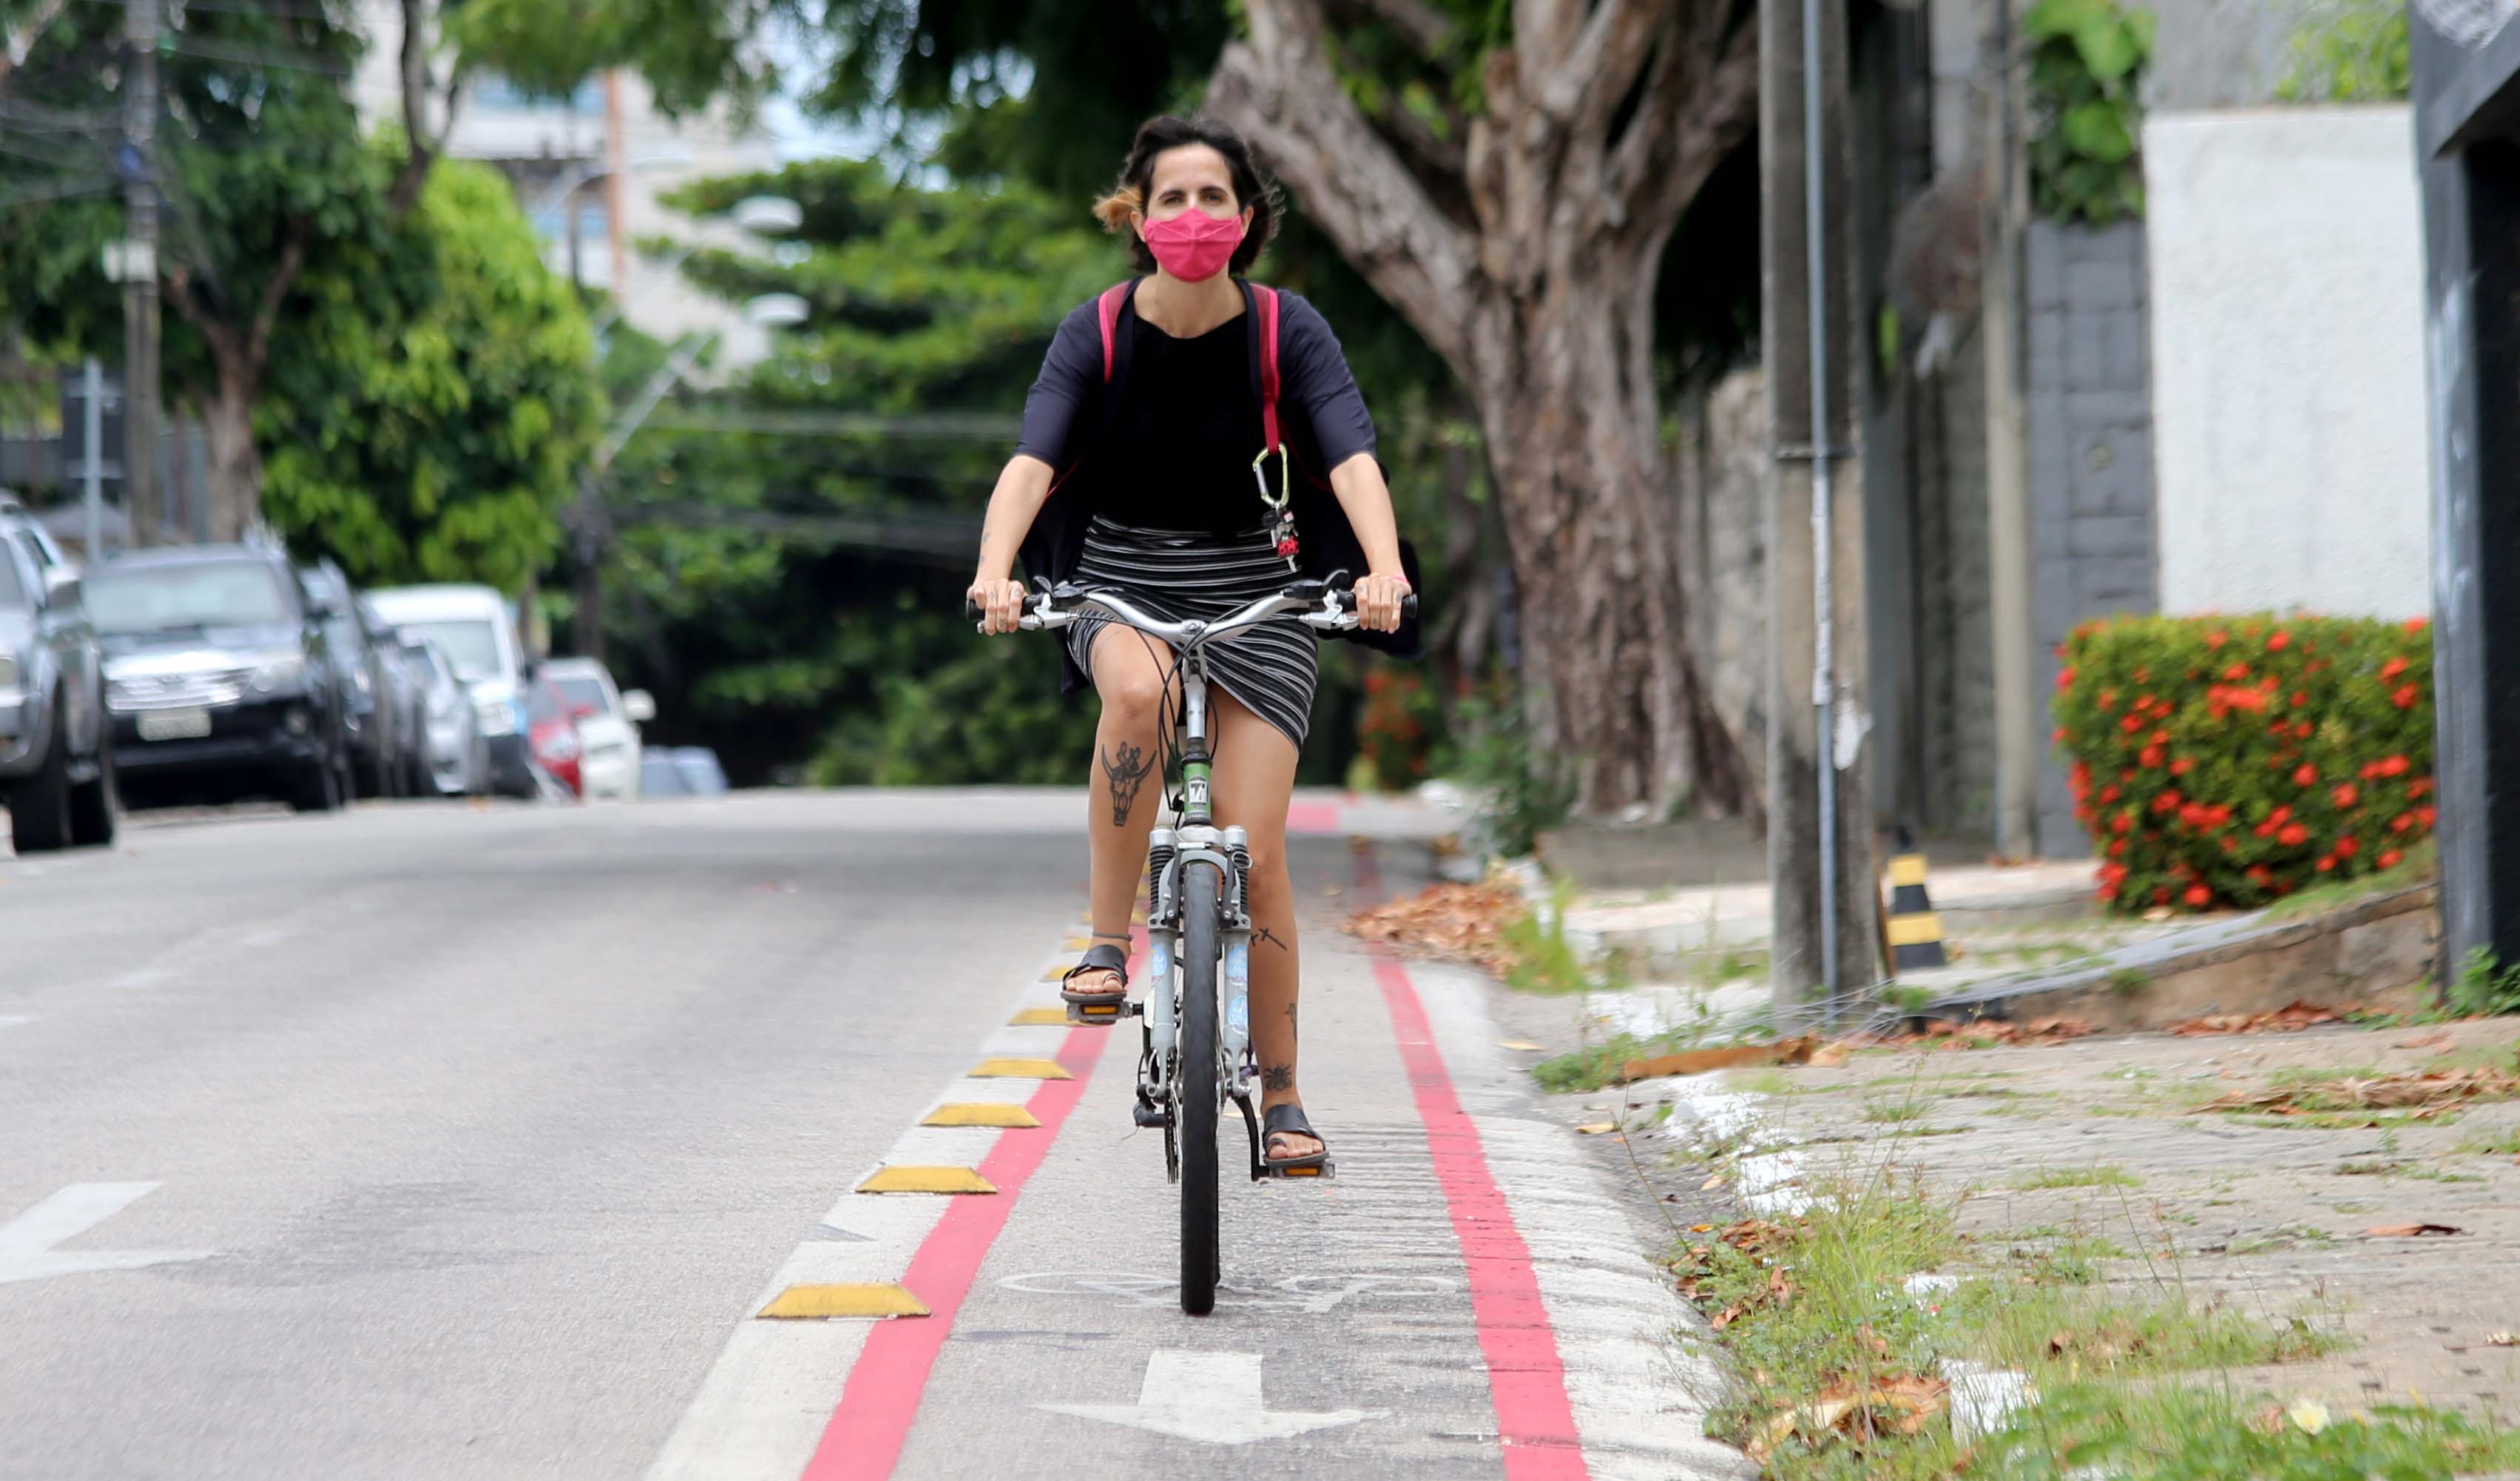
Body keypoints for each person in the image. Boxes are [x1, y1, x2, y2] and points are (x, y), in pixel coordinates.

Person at [967, 115, 1415, 1172]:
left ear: (1247, 218)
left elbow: (1352, 460)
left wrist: (1384, 570)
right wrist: (996, 568)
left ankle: (1287, 1093)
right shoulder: (1098, 332)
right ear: (1136, 216)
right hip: (1121, 580)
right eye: (1172, 197)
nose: (1194, 216)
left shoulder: (1285, 331)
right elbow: (1032, 460)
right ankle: (1107, 943)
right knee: (1135, 699)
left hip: (1264, 592)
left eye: (1215, 196)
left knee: (1257, 857)